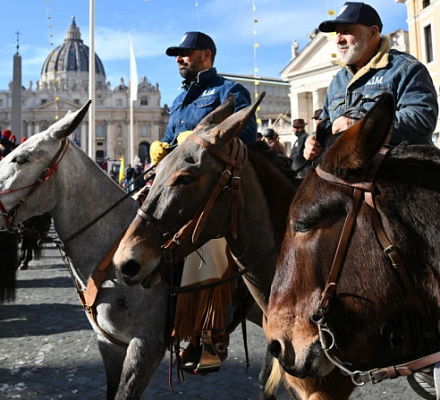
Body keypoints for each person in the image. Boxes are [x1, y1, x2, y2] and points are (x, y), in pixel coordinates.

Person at [304, 1, 439, 162]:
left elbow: (422, 118)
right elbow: (327, 124)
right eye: (337, 33)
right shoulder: (338, 82)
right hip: (347, 177)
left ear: (373, 33)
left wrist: (362, 128)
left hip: (399, 174)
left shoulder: (405, 68)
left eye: (346, 32)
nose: (339, 39)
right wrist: (313, 141)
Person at [150, 31, 257, 165]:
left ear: (206, 55)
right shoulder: (178, 100)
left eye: (185, 53)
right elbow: (171, 138)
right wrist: (162, 145)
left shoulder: (229, 90)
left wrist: (200, 139)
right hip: (176, 175)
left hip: (208, 178)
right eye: (177, 55)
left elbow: (248, 135)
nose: (178, 59)